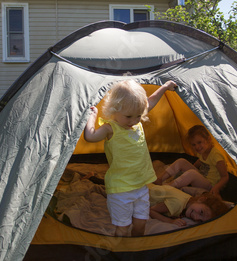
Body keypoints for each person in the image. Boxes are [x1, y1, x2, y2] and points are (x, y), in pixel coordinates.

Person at [84, 79, 177, 237]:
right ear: (115, 109)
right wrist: (92, 116)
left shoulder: (135, 120)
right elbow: (90, 136)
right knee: (123, 227)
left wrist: (165, 87)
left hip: (140, 187)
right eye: (128, 117)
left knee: (141, 224)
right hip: (120, 190)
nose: (134, 121)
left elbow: (151, 101)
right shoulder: (110, 128)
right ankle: (121, 252)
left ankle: (136, 250)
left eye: (138, 116)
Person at [154, 125, 229, 196]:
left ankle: (168, 187)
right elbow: (200, 161)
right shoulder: (202, 151)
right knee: (181, 161)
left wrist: (216, 188)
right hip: (201, 177)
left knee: (192, 173)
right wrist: (190, 168)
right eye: (193, 144)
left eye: (199, 142)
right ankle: (160, 179)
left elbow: (225, 176)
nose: (197, 147)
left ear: (209, 139)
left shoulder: (216, 156)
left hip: (210, 185)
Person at [148, 183, 229, 227]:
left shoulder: (189, 200)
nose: (196, 217)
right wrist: (170, 221)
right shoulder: (177, 204)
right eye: (201, 212)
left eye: (200, 221)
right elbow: (151, 210)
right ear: (201, 199)